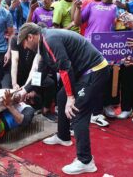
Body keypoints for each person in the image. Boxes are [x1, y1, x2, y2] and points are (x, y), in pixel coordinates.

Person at [16, 23, 109, 175]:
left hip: (95, 71)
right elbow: (41, 72)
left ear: (30, 37)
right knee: (61, 97)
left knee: (76, 112)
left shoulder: (49, 40)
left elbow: (65, 68)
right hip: (84, 73)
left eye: (24, 43)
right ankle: (63, 136)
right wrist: (24, 90)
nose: (25, 47)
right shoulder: (44, 42)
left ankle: (85, 161)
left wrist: (71, 97)